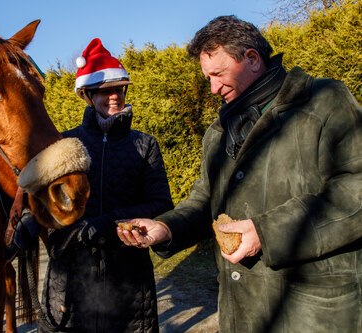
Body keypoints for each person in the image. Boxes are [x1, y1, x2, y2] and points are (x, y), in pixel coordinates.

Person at [117, 15, 362, 333]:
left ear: (252, 58)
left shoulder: (324, 101)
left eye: (218, 74)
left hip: (315, 315)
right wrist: (166, 227)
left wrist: (267, 232)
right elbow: (204, 200)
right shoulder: (217, 134)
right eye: (207, 78)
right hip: (242, 316)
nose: (213, 88)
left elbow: (356, 187)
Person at [10, 38, 173, 333]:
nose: (113, 97)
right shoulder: (64, 142)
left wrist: (109, 222)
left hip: (128, 279)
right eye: (104, 91)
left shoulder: (146, 144)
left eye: (119, 89)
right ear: (87, 95)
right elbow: (42, 200)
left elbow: (161, 203)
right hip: (70, 278)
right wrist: (27, 225)